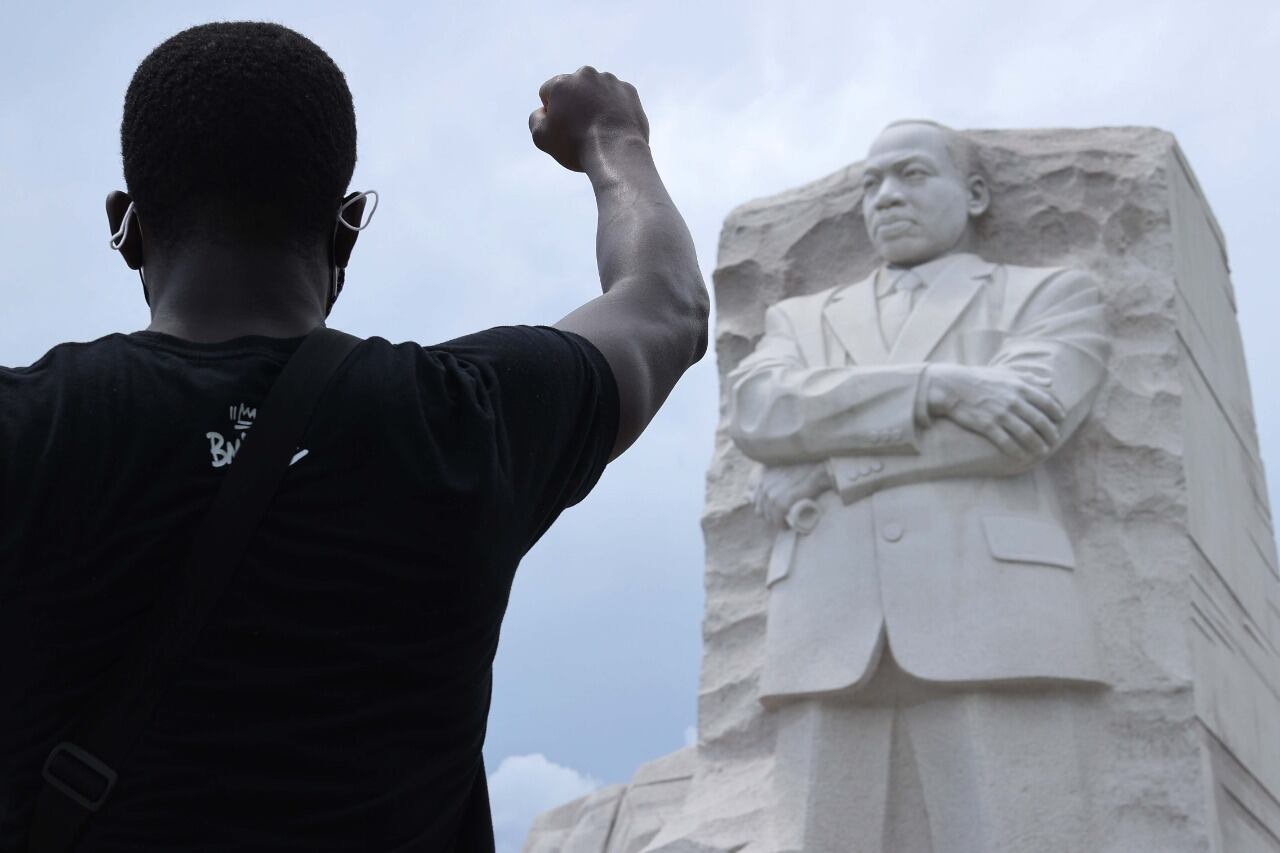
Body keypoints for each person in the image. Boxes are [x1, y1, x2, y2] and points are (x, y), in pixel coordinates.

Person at [0, 21, 707, 852]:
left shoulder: (29, 427)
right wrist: (612, 138)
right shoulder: (467, 418)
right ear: (345, 231)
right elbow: (667, 304)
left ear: (128, 226)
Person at [728, 120, 1110, 852]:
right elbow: (759, 409)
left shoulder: (1047, 296)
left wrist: (831, 466)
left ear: (973, 195)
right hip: (825, 623)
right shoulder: (800, 320)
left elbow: (1024, 428)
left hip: (996, 615)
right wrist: (940, 385)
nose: (886, 197)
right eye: (870, 183)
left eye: (911, 174)